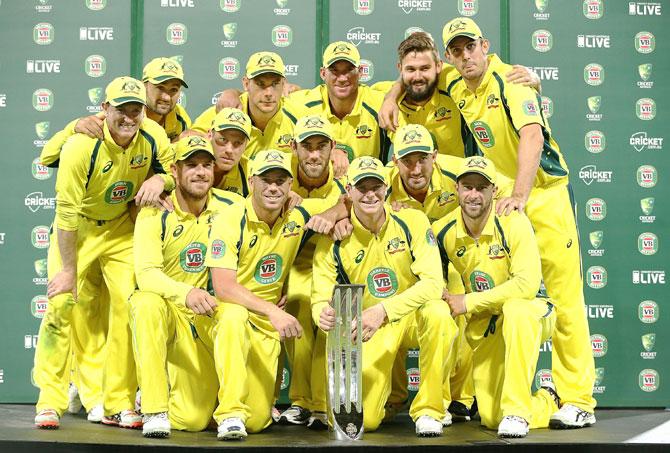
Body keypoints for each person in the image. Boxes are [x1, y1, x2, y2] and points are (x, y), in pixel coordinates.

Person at [442, 17, 596, 428]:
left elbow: (532, 137)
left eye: (470, 46)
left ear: (484, 45)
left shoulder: (512, 80)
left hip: (541, 196)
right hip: (504, 201)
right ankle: (509, 398)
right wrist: (391, 96)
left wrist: (521, 197)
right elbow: (414, 72)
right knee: (507, 299)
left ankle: (578, 398)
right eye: (455, 50)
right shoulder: (457, 83)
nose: (464, 55)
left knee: (564, 299)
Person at [34, 77, 174, 429]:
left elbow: (172, 168)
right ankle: (49, 401)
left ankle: (118, 402)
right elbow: (65, 212)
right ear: (104, 109)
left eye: (136, 109)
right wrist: (67, 269)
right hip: (79, 228)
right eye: (121, 109)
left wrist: (161, 180)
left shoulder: (152, 135)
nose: (129, 117)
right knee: (61, 303)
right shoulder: (81, 146)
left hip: (119, 229)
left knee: (129, 307)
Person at [205, 150, 346, 440]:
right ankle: (229, 411)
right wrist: (273, 310)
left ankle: (239, 411)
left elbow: (348, 200)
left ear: (290, 184)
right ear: (253, 181)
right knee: (233, 314)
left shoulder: (297, 214)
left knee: (256, 422)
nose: (273, 188)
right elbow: (224, 287)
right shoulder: (231, 219)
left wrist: (334, 217)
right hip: (228, 314)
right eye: (266, 180)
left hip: (267, 324)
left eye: (280, 181)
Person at [312, 156, 458, 437]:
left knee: (438, 313)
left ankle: (430, 409)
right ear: (349, 192)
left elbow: (432, 283)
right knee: (369, 420)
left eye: (376, 186)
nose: (370, 194)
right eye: (362, 187)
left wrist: (383, 310)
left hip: (407, 316)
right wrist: (321, 311)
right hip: (369, 328)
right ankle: (392, 399)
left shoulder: (412, 220)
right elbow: (320, 294)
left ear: (386, 189)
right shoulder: (333, 239)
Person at [432, 156, 559, 438]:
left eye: (482, 187)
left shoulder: (512, 221)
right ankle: (549, 400)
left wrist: (466, 302)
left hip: (534, 311)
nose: (474, 195)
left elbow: (527, 284)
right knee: (490, 417)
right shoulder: (442, 230)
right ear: (457, 189)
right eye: (468, 187)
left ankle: (516, 411)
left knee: (516, 309)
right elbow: (430, 279)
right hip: (487, 324)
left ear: (494, 191)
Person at [130, 136, 243, 438]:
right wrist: (186, 293)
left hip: (210, 313)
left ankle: (232, 413)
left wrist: (336, 210)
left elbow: (272, 217)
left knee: (192, 420)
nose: (200, 172)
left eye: (206, 165)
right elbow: (146, 274)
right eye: (191, 165)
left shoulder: (232, 207)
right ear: (174, 171)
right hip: (173, 315)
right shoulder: (154, 213)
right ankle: (154, 407)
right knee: (145, 302)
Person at [278, 115, 346, 428]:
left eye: (321, 146)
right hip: (292, 265)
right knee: (297, 303)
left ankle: (321, 403)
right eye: (307, 147)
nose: (314, 155)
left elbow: (368, 197)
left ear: (334, 148)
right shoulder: (280, 178)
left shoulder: (345, 179)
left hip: (332, 266)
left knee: (329, 312)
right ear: (294, 147)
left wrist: (338, 212)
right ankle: (301, 401)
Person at [377, 31, 541, 159]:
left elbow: (487, 74)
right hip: (412, 191)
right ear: (400, 69)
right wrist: (390, 98)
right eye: (410, 69)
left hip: (463, 190)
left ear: (439, 67)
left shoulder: (454, 81)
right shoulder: (380, 95)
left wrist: (535, 79)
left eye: (425, 68)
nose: (418, 76)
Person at [41, 57, 190, 168]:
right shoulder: (106, 120)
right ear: (144, 85)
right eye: (160, 88)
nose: (166, 97)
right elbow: (46, 158)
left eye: (173, 90)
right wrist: (73, 127)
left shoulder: (179, 118)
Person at [288, 42, 391, 174]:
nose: (342, 78)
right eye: (334, 70)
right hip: (319, 191)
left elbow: (410, 85)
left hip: (367, 190)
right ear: (323, 73)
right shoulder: (302, 104)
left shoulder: (379, 103)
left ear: (360, 72)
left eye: (349, 70)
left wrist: (393, 97)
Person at [190, 52, 298, 159]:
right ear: (246, 84)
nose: (268, 93)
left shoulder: (297, 112)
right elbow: (187, 137)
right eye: (260, 84)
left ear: (283, 84)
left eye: (275, 84)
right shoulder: (228, 110)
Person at [209, 107, 253, 197]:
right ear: (210, 135)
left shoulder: (252, 172)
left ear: (246, 145)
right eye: (223, 139)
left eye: (238, 143)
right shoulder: (188, 158)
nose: (229, 150)